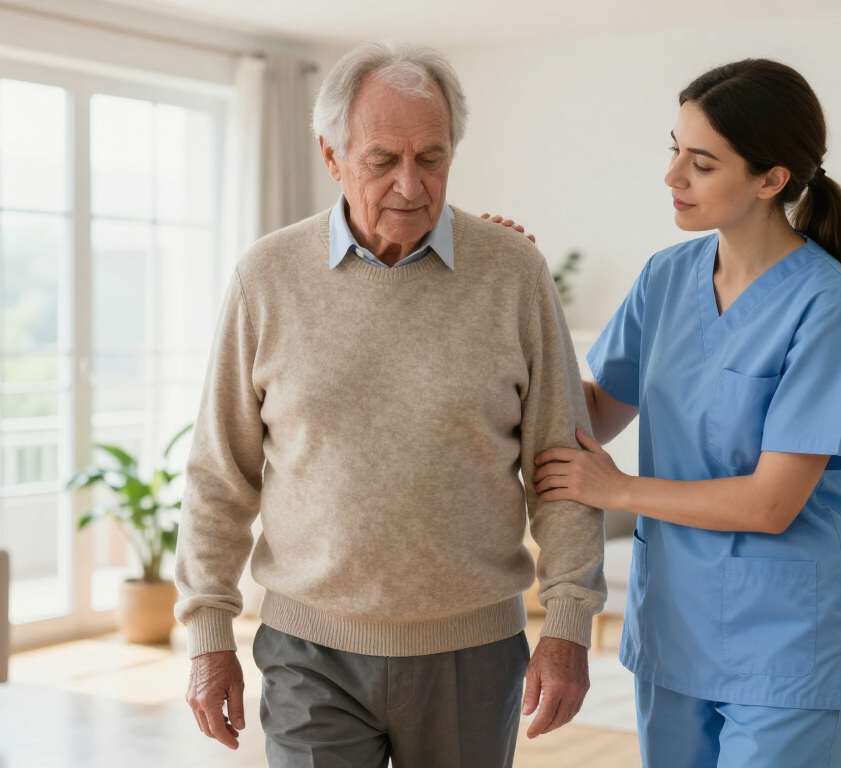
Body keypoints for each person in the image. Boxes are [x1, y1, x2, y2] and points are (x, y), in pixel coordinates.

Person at [174, 40, 606, 768]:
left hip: (472, 653)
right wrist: (209, 633)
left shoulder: (514, 273)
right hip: (308, 651)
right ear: (332, 155)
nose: (411, 184)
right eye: (383, 159)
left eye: (431, 157)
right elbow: (220, 473)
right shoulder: (266, 278)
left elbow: (562, 466)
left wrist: (567, 624)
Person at [517, 58, 841, 767]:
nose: (673, 175)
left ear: (771, 179)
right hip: (673, 624)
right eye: (675, 150)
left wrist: (617, 489)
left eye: (703, 163)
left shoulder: (826, 306)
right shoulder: (665, 277)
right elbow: (592, 414)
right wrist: (511, 292)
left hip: (782, 640)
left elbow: (772, 503)